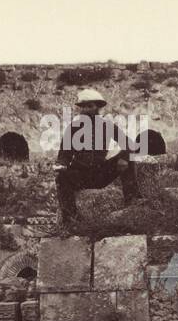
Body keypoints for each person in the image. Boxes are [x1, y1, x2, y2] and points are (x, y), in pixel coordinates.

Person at [55, 88, 140, 224]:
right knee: (62, 177)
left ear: (97, 107)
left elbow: (131, 145)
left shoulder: (107, 125)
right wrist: (61, 165)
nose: (86, 110)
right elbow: (64, 154)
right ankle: (71, 218)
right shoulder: (73, 128)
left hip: (100, 174)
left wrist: (123, 157)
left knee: (129, 161)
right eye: (83, 107)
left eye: (90, 106)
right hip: (81, 175)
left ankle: (132, 201)